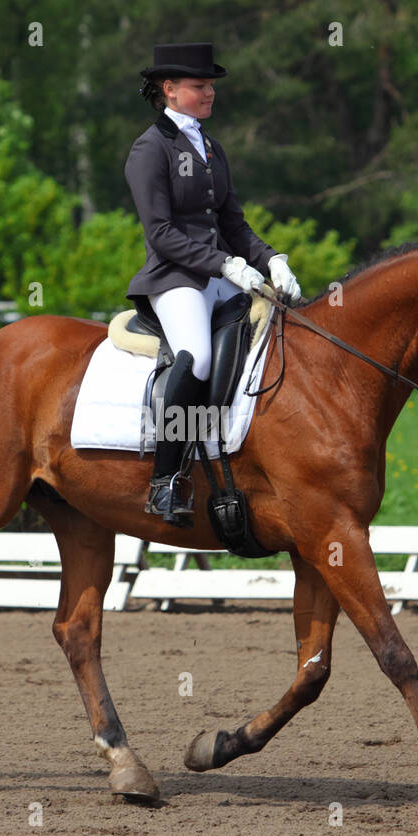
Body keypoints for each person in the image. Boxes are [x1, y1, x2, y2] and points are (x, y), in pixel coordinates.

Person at [124, 42, 302, 526]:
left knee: (283, 334)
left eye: (211, 87)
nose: (209, 94)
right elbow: (160, 233)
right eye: (200, 86)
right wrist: (224, 264)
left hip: (223, 275)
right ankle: (166, 481)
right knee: (197, 357)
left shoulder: (210, 147)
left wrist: (271, 260)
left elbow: (234, 223)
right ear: (170, 90)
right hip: (176, 279)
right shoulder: (149, 149)